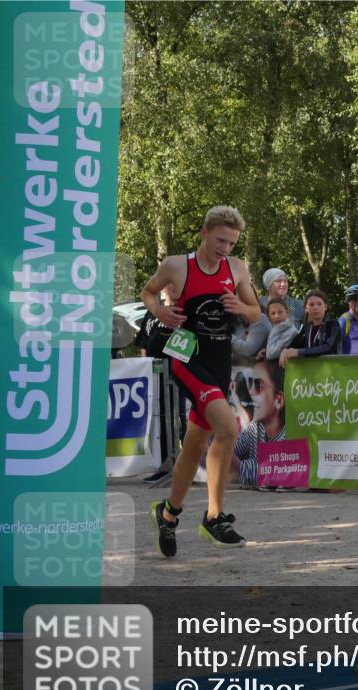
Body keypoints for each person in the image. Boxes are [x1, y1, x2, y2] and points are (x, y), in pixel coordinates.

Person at [141, 205, 260, 556]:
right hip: (187, 356)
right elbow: (149, 292)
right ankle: (213, 516)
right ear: (204, 232)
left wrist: (241, 309)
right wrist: (160, 310)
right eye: (221, 240)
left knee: (194, 444)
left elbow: (256, 310)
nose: (226, 248)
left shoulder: (236, 269)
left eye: (232, 243)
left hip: (219, 359)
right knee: (228, 428)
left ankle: (168, 513)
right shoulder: (177, 265)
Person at [232, 359, 286, 489]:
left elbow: (262, 473)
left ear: (278, 400)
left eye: (258, 386)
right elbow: (234, 449)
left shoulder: (288, 438)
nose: (250, 392)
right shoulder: (255, 428)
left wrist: (218, 442)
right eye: (250, 384)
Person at [279, 289, 341, 367]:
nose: (315, 307)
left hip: (331, 371)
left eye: (319, 304)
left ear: (325, 307)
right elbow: (294, 344)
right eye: (311, 304)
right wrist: (285, 350)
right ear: (306, 309)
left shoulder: (333, 324)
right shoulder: (307, 327)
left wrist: (299, 352)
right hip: (311, 372)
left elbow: (327, 348)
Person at [261, 298, 298, 362]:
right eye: (273, 313)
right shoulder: (276, 328)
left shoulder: (291, 332)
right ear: (269, 316)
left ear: (287, 312)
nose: (276, 316)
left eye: (280, 312)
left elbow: (271, 354)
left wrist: (267, 352)